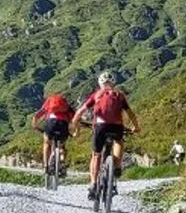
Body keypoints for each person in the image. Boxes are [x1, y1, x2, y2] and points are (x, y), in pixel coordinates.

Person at [71, 71, 140, 200]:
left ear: (100, 83)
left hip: (100, 127)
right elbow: (130, 113)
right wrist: (136, 127)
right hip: (116, 126)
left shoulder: (96, 95)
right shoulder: (119, 95)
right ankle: (118, 166)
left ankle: (93, 184)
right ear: (114, 83)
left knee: (96, 155)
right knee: (119, 142)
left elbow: (80, 112)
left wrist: (75, 126)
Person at [31, 93, 74, 176]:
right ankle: (62, 162)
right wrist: (76, 132)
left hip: (51, 125)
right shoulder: (66, 106)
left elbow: (38, 115)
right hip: (63, 126)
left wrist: (35, 125)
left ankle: (46, 166)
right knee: (62, 146)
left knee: (47, 143)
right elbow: (75, 118)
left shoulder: (49, 103)